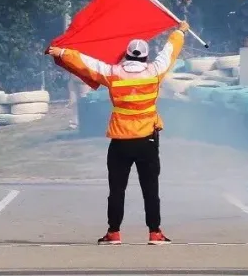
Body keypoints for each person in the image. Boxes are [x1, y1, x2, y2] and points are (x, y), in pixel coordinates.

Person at [46, 22, 188, 245]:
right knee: (150, 189)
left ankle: (114, 233)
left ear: (127, 54)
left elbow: (86, 63)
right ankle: (155, 233)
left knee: (117, 189)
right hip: (148, 140)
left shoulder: (113, 73)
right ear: (145, 57)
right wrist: (179, 31)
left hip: (120, 141)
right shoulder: (155, 72)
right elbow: (169, 51)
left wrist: (62, 52)